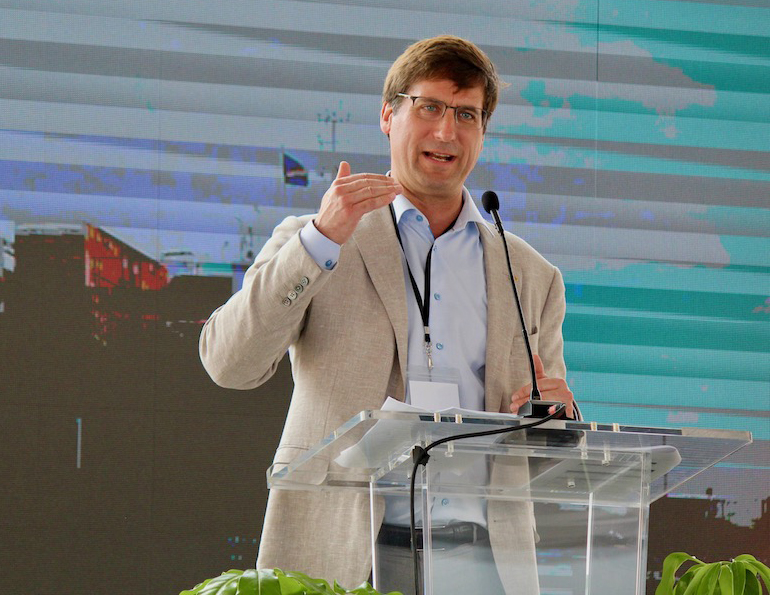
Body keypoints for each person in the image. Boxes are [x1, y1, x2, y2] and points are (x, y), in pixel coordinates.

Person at [200, 35, 576, 594]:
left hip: (481, 557)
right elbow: (229, 364)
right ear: (388, 115)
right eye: (429, 107)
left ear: (482, 131)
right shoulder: (320, 239)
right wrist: (320, 240)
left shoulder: (531, 275)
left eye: (466, 114)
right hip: (343, 547)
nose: (447, 132)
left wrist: (557, 425)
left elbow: (536, 455)